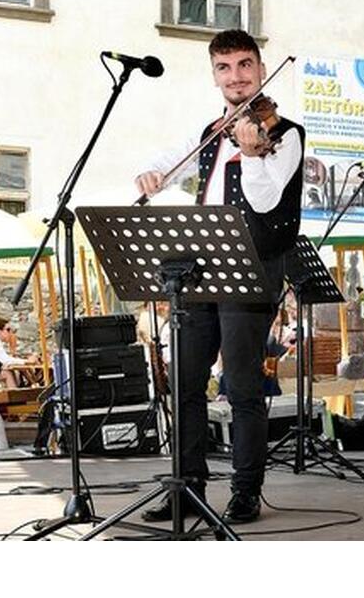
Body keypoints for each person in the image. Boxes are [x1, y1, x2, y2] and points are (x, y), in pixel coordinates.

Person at [134, 29, 304, 525]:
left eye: (245, 65)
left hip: (253, 265)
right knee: (185, 384)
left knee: (242, 384)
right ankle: (186, 487)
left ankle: (245, 491)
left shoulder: (285, 133)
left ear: (259, 66)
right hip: (199, 266)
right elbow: (166, 160)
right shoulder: (209, 129)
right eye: (225, 67)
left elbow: (268, 202)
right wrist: (151, 173)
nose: (236, 76)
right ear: (214, 74)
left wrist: (252, 156)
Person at [0, 319, 39, 392]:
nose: (10, 333)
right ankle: (16, 396)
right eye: (8, 330)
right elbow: (6, 360)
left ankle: (17, 394)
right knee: (8, 373)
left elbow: (6, 360)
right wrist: (27, 361)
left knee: (8, 372)